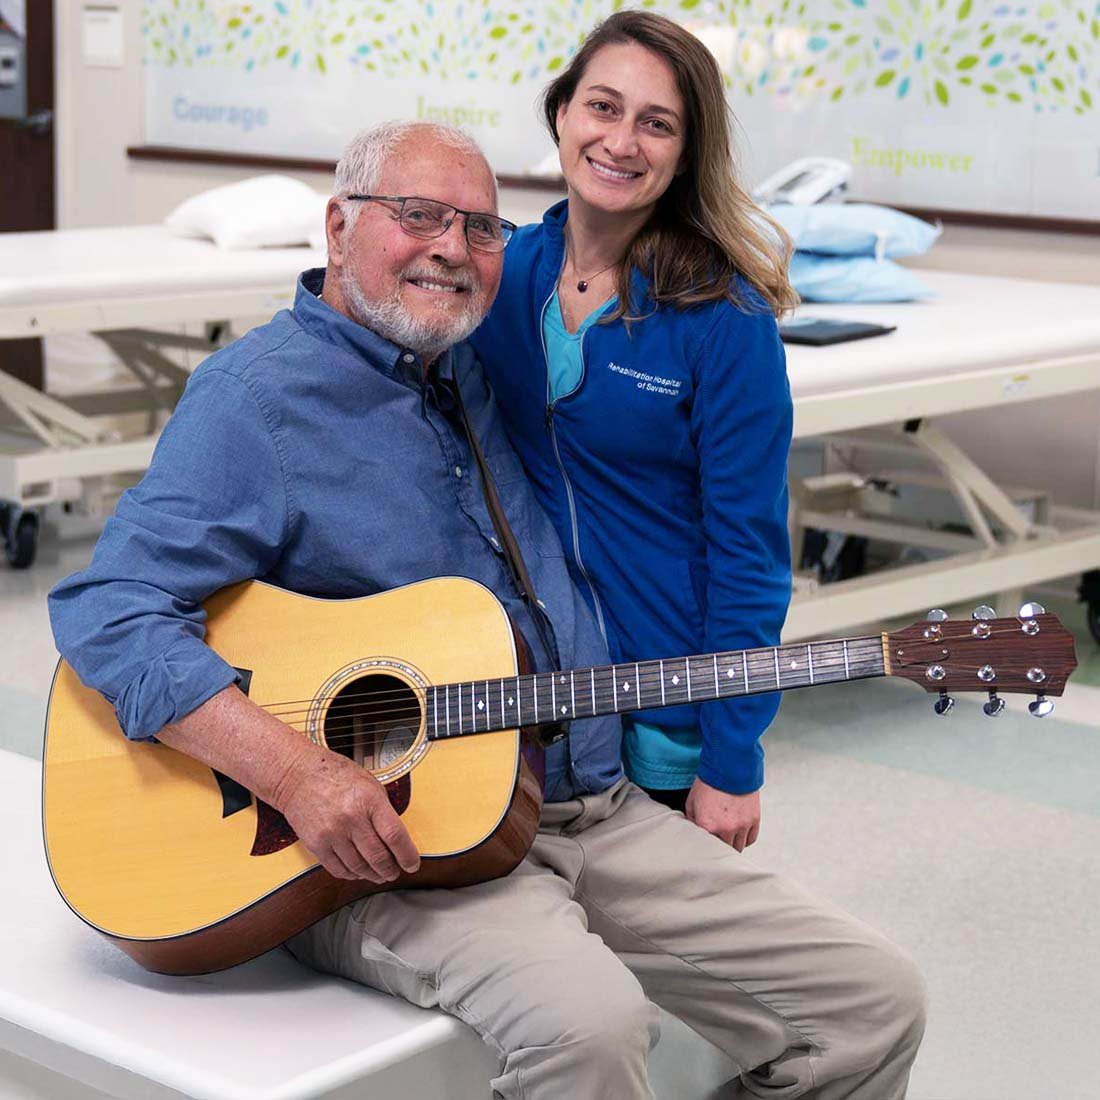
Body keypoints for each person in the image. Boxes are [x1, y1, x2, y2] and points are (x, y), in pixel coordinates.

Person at [50, 121, 924, 1099]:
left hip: (587, 803)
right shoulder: (254, 400)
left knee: (873, 1003)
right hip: (377, 845)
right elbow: (108, 606)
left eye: (478, 226)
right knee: (589, 1027)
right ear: (337, 227)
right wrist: (298, 773)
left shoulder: (475, 364)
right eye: (417, 214)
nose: (451, 248)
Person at [471, 11, 797, 851]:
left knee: (666, 954)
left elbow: (750, 558)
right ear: (562, 114)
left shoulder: (724, 322)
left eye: (658, 124)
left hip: (666, 711)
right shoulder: (503, 279)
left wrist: (732, 760)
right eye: (603, 108)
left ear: (687, 153)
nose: (622, 141)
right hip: (538, 698)